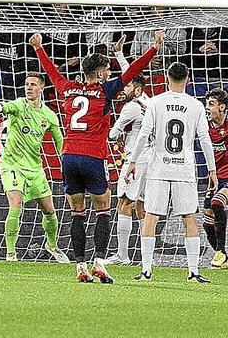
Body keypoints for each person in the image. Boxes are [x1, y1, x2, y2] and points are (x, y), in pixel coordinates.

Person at [32, 30, 163, 283]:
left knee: (77, 213)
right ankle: (100, 261)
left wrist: (39, 48)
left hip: (69, 157)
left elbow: (51, 73)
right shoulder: (104, 91)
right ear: (101, 73)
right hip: (93, 157)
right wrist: (154, 48)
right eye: (106, 70)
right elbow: (132, 71)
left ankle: (80, 265)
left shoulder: (68, 89)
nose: (109, 74)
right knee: (104, 210)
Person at [126, 62, 216, 283]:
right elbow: (204, 139)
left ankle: (147, 271)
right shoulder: (195, 105)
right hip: (184, 169)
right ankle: (193, 272)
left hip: (159, 168)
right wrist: (212, 169)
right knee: (189, 218)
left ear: (167, 78)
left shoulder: (156, 102)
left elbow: (143, 134)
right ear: (188, 79)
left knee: (151, 217)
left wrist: (132, 161)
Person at [0, 73, 67, 263]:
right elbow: (8, 107)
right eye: (26, 84)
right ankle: (10, 253)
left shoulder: (49, 116)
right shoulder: (19, 105)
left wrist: (69, 163)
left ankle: (52, 245)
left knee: (49, 210)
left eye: (33, 84)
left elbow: (61, 144)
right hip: (11, 165)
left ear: (42, 88)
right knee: (16, 204)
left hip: (35, 169)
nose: (29, 87)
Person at [106, 73, 149, 265]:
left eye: (128, 86)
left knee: (124, 203)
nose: (124, 89)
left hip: (135, 158)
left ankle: (122, 255)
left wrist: (113, 131)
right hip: (150, 159)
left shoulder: (130, 107)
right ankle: (146, 257)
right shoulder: (147, 102)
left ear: (137, 90)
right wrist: (120, 55)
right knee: (141, 207)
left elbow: (113, 135)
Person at [203, 88, 228, 268]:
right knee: (207, 220)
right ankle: (223, 255)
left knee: (217, 204)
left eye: (211, 104)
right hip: (215, 177)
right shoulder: (204, 126)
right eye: (207, 104)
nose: (207, 108)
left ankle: (220, 253)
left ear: (222, 107)